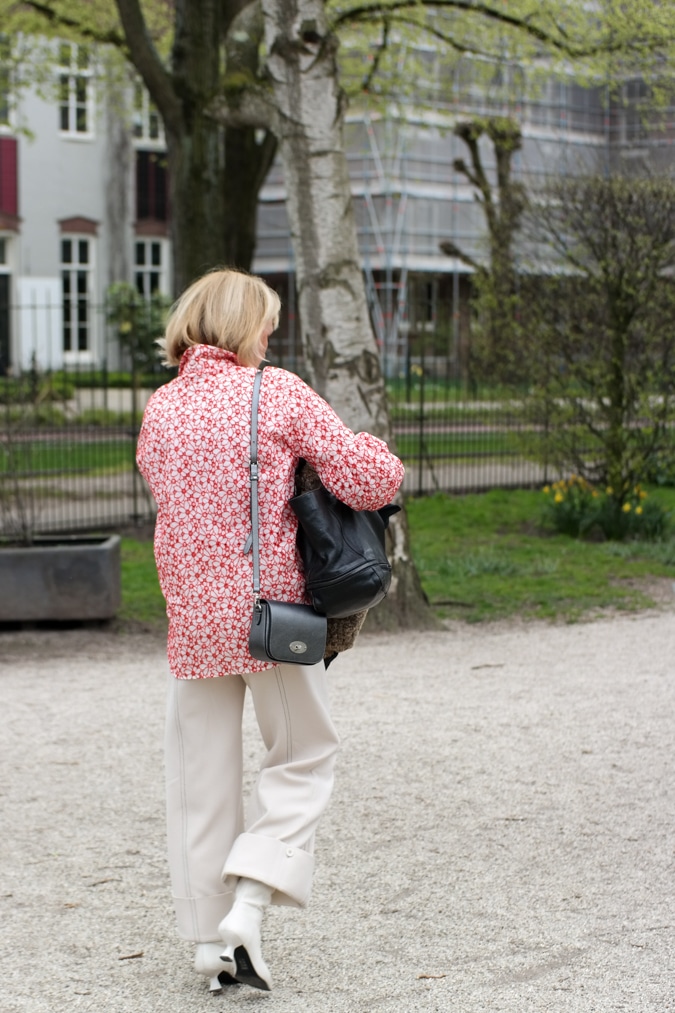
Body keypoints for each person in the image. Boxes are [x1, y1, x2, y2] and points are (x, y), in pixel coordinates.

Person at [136, 268, 404, 994]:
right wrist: (381, 449)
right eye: (265, 320)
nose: (269, 334)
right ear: (240, 323)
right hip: (271, 618)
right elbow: (367, 479)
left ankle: (208, 938)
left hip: (193, 620)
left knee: (199, 778)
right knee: (303, 753)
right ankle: (251, 901)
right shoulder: (275, 390)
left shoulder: (159, 408)